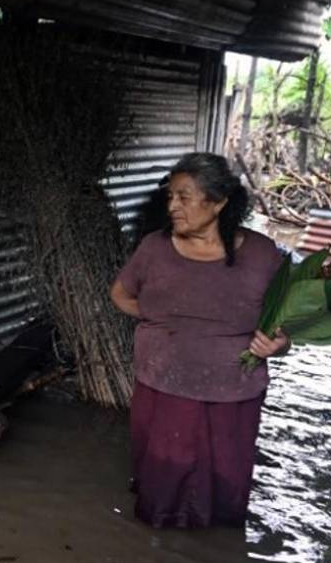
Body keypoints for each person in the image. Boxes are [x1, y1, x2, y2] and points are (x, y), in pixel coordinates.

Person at [109, 153, 289, 528]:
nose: (172, 206)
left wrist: (278, 344)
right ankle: (158, 541)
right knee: (162, 472)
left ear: (220, 202)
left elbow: (283, 326)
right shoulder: (154, 248)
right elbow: (120, 295)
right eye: (170, 196)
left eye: (184, 197)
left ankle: (216, 547)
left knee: (225, 471)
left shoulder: (261, 254)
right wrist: (160, 323)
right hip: (164, 381)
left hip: (233, 388)